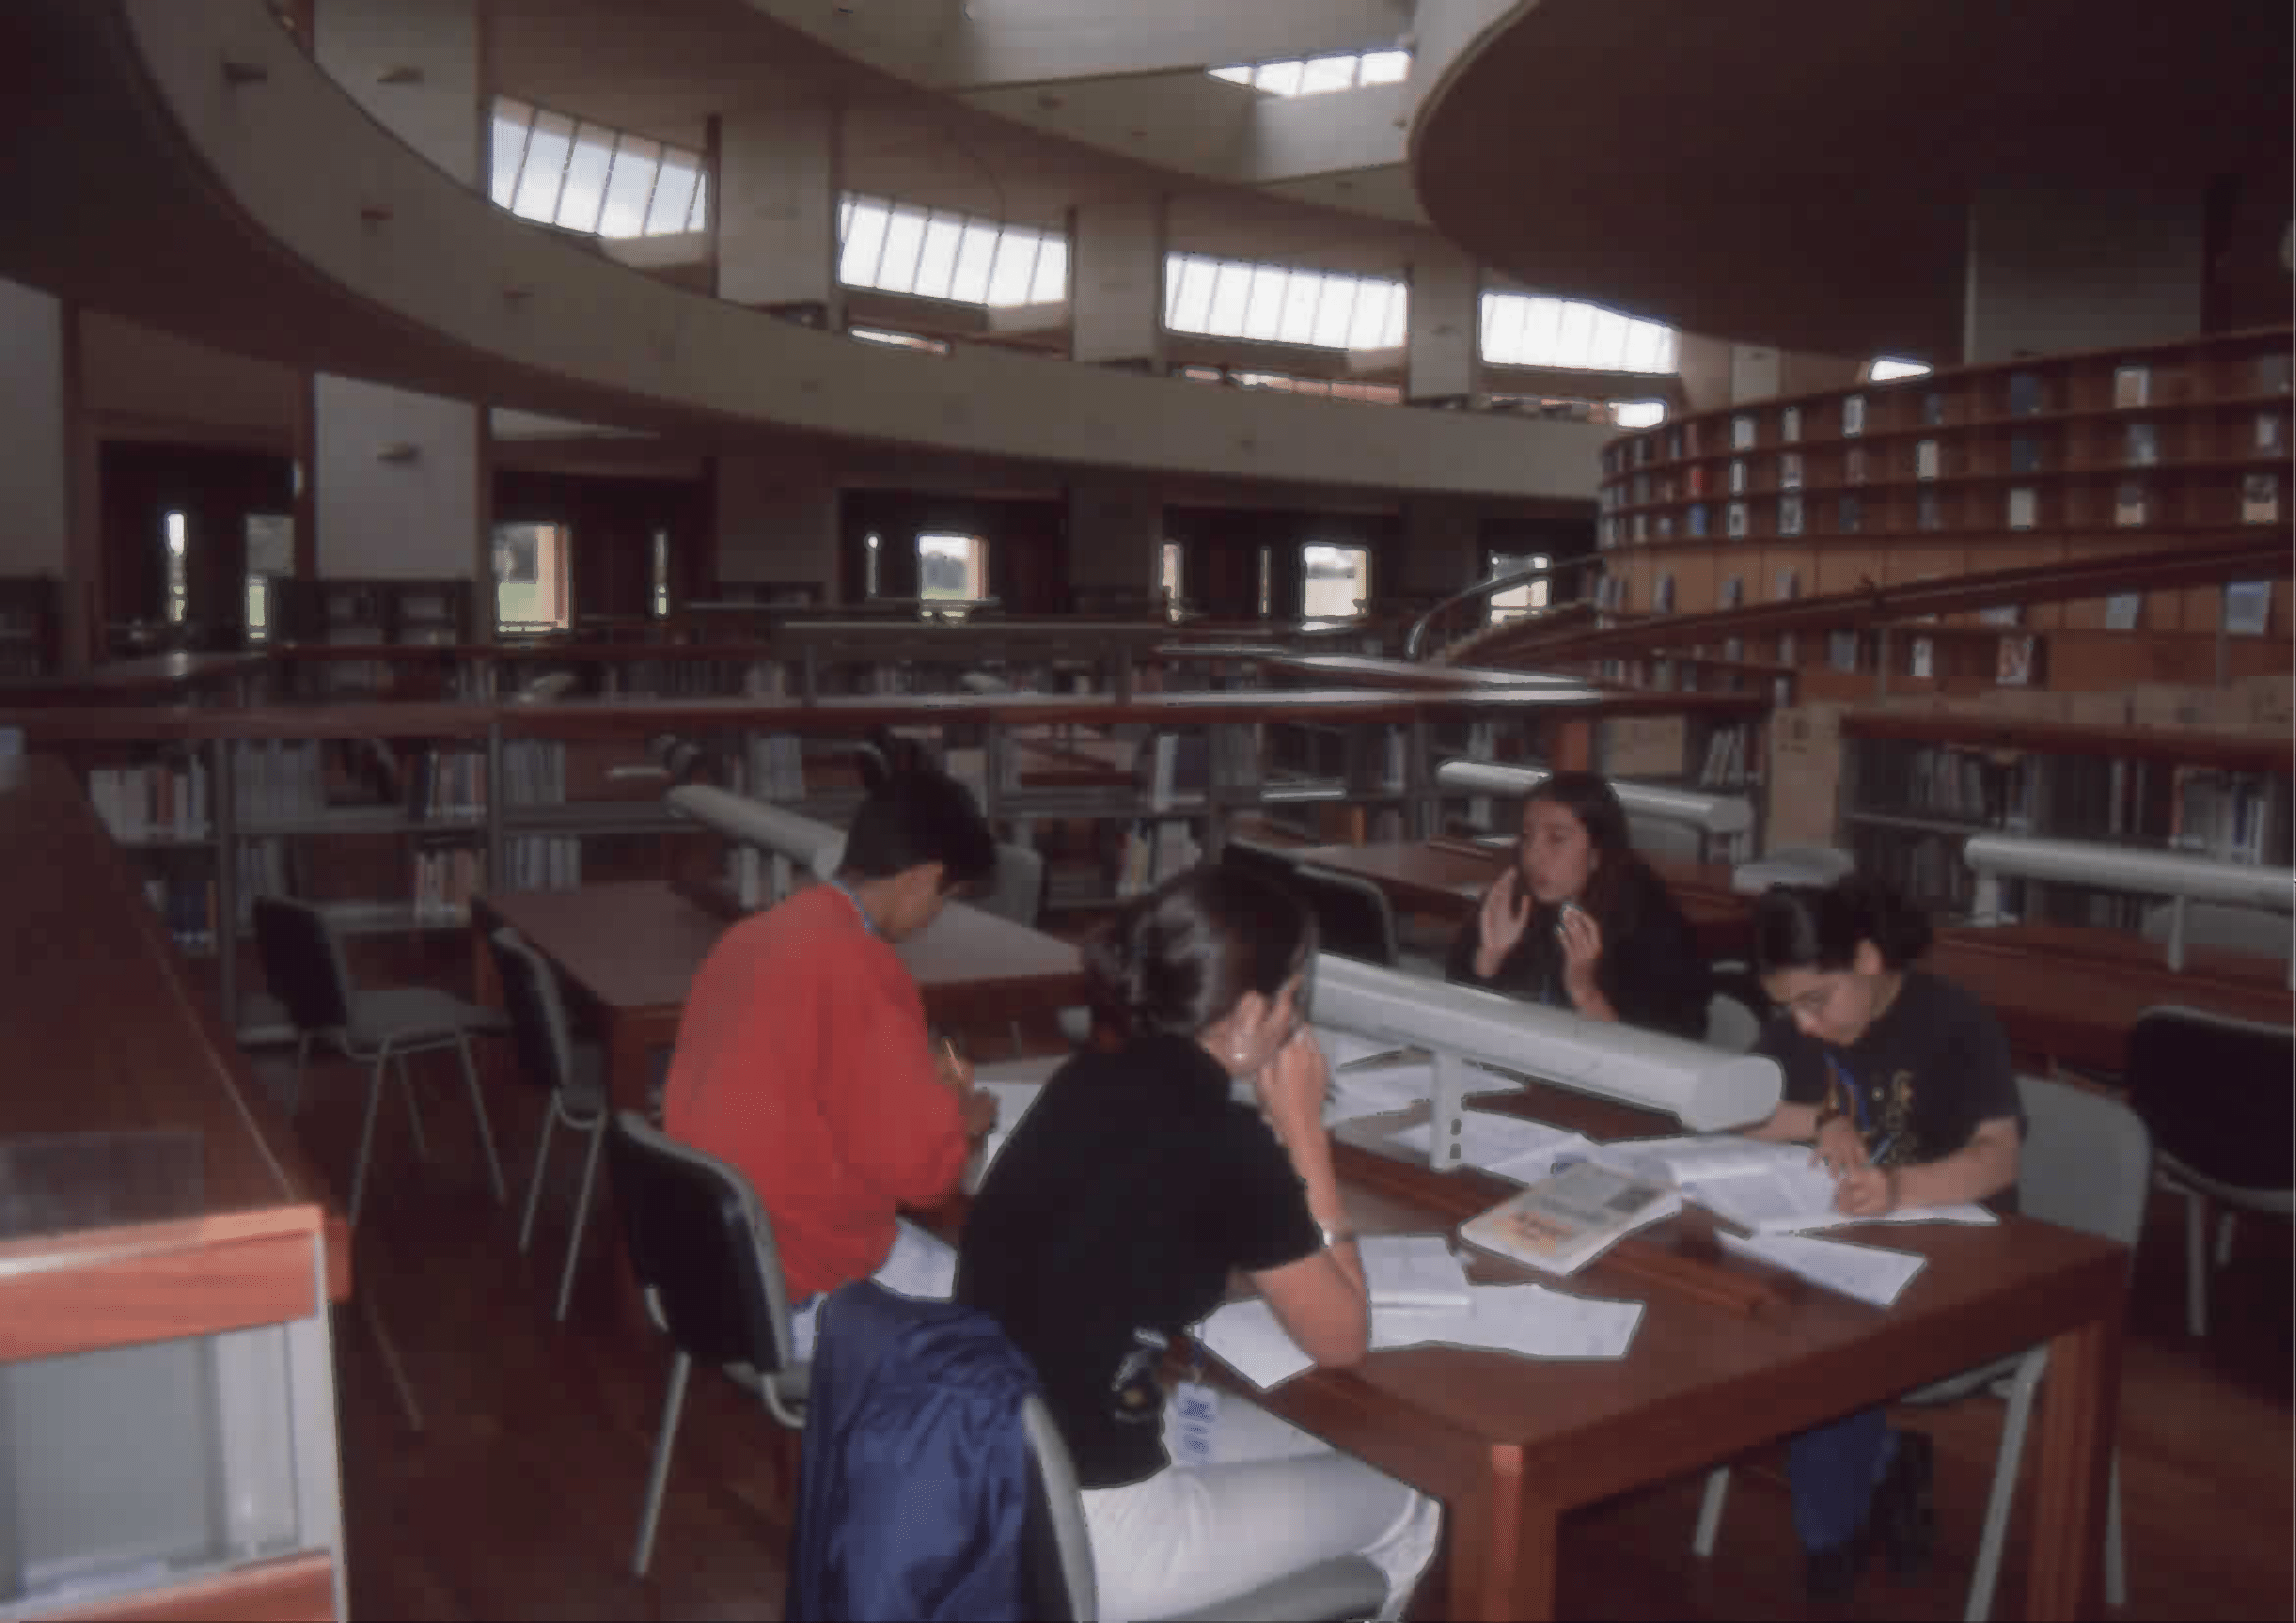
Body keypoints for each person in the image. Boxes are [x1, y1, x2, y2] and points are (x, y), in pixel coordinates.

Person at [956, 865, 1441, 1623]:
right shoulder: (1224, 1138)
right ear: (1249, 1012)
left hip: (1000, 1479)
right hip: (1107, 1536)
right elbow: (1343, 1337)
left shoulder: (1087, 1079)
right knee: (1410, 1488)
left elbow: (1138, 1240)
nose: (1294, 1020)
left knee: (1308, 1437)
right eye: (1292, 997)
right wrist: (1306, 1134)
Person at [1741, 872, 2026, 1602]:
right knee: (1763, 1312)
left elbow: (2000, 1152)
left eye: (1814, 1000)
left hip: (1958, 1253)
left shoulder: (1952, 1022)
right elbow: (1734, 1109)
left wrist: (1899, 1188)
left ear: (1867, 960)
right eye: (1787, 1007)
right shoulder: (1802, 1023)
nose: (1802, 1025)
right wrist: (1818, 1120)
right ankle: (1874, 1478)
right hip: (1851, 1249)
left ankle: (1831, 1546)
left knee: (1825, 1346)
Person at [661, 749, 1000, 1360]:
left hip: (707, 1264)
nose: (934, 917)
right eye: (944, 898)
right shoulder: (865, 968)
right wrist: (962, 1117)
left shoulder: (754, 934)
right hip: (795, 1286)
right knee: (1008, 1310)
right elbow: (920, 1179)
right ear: (923, 878)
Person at [1444, 770, 1712, 1039]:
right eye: (1528, 837)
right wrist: (1488, 959)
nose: (1533, 856)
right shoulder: (1509, 905)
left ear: (1598, 853)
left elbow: (1659, 1059)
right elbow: (1458, 1029)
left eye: (1556, 839)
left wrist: (1585, 991)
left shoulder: (1653, 929)